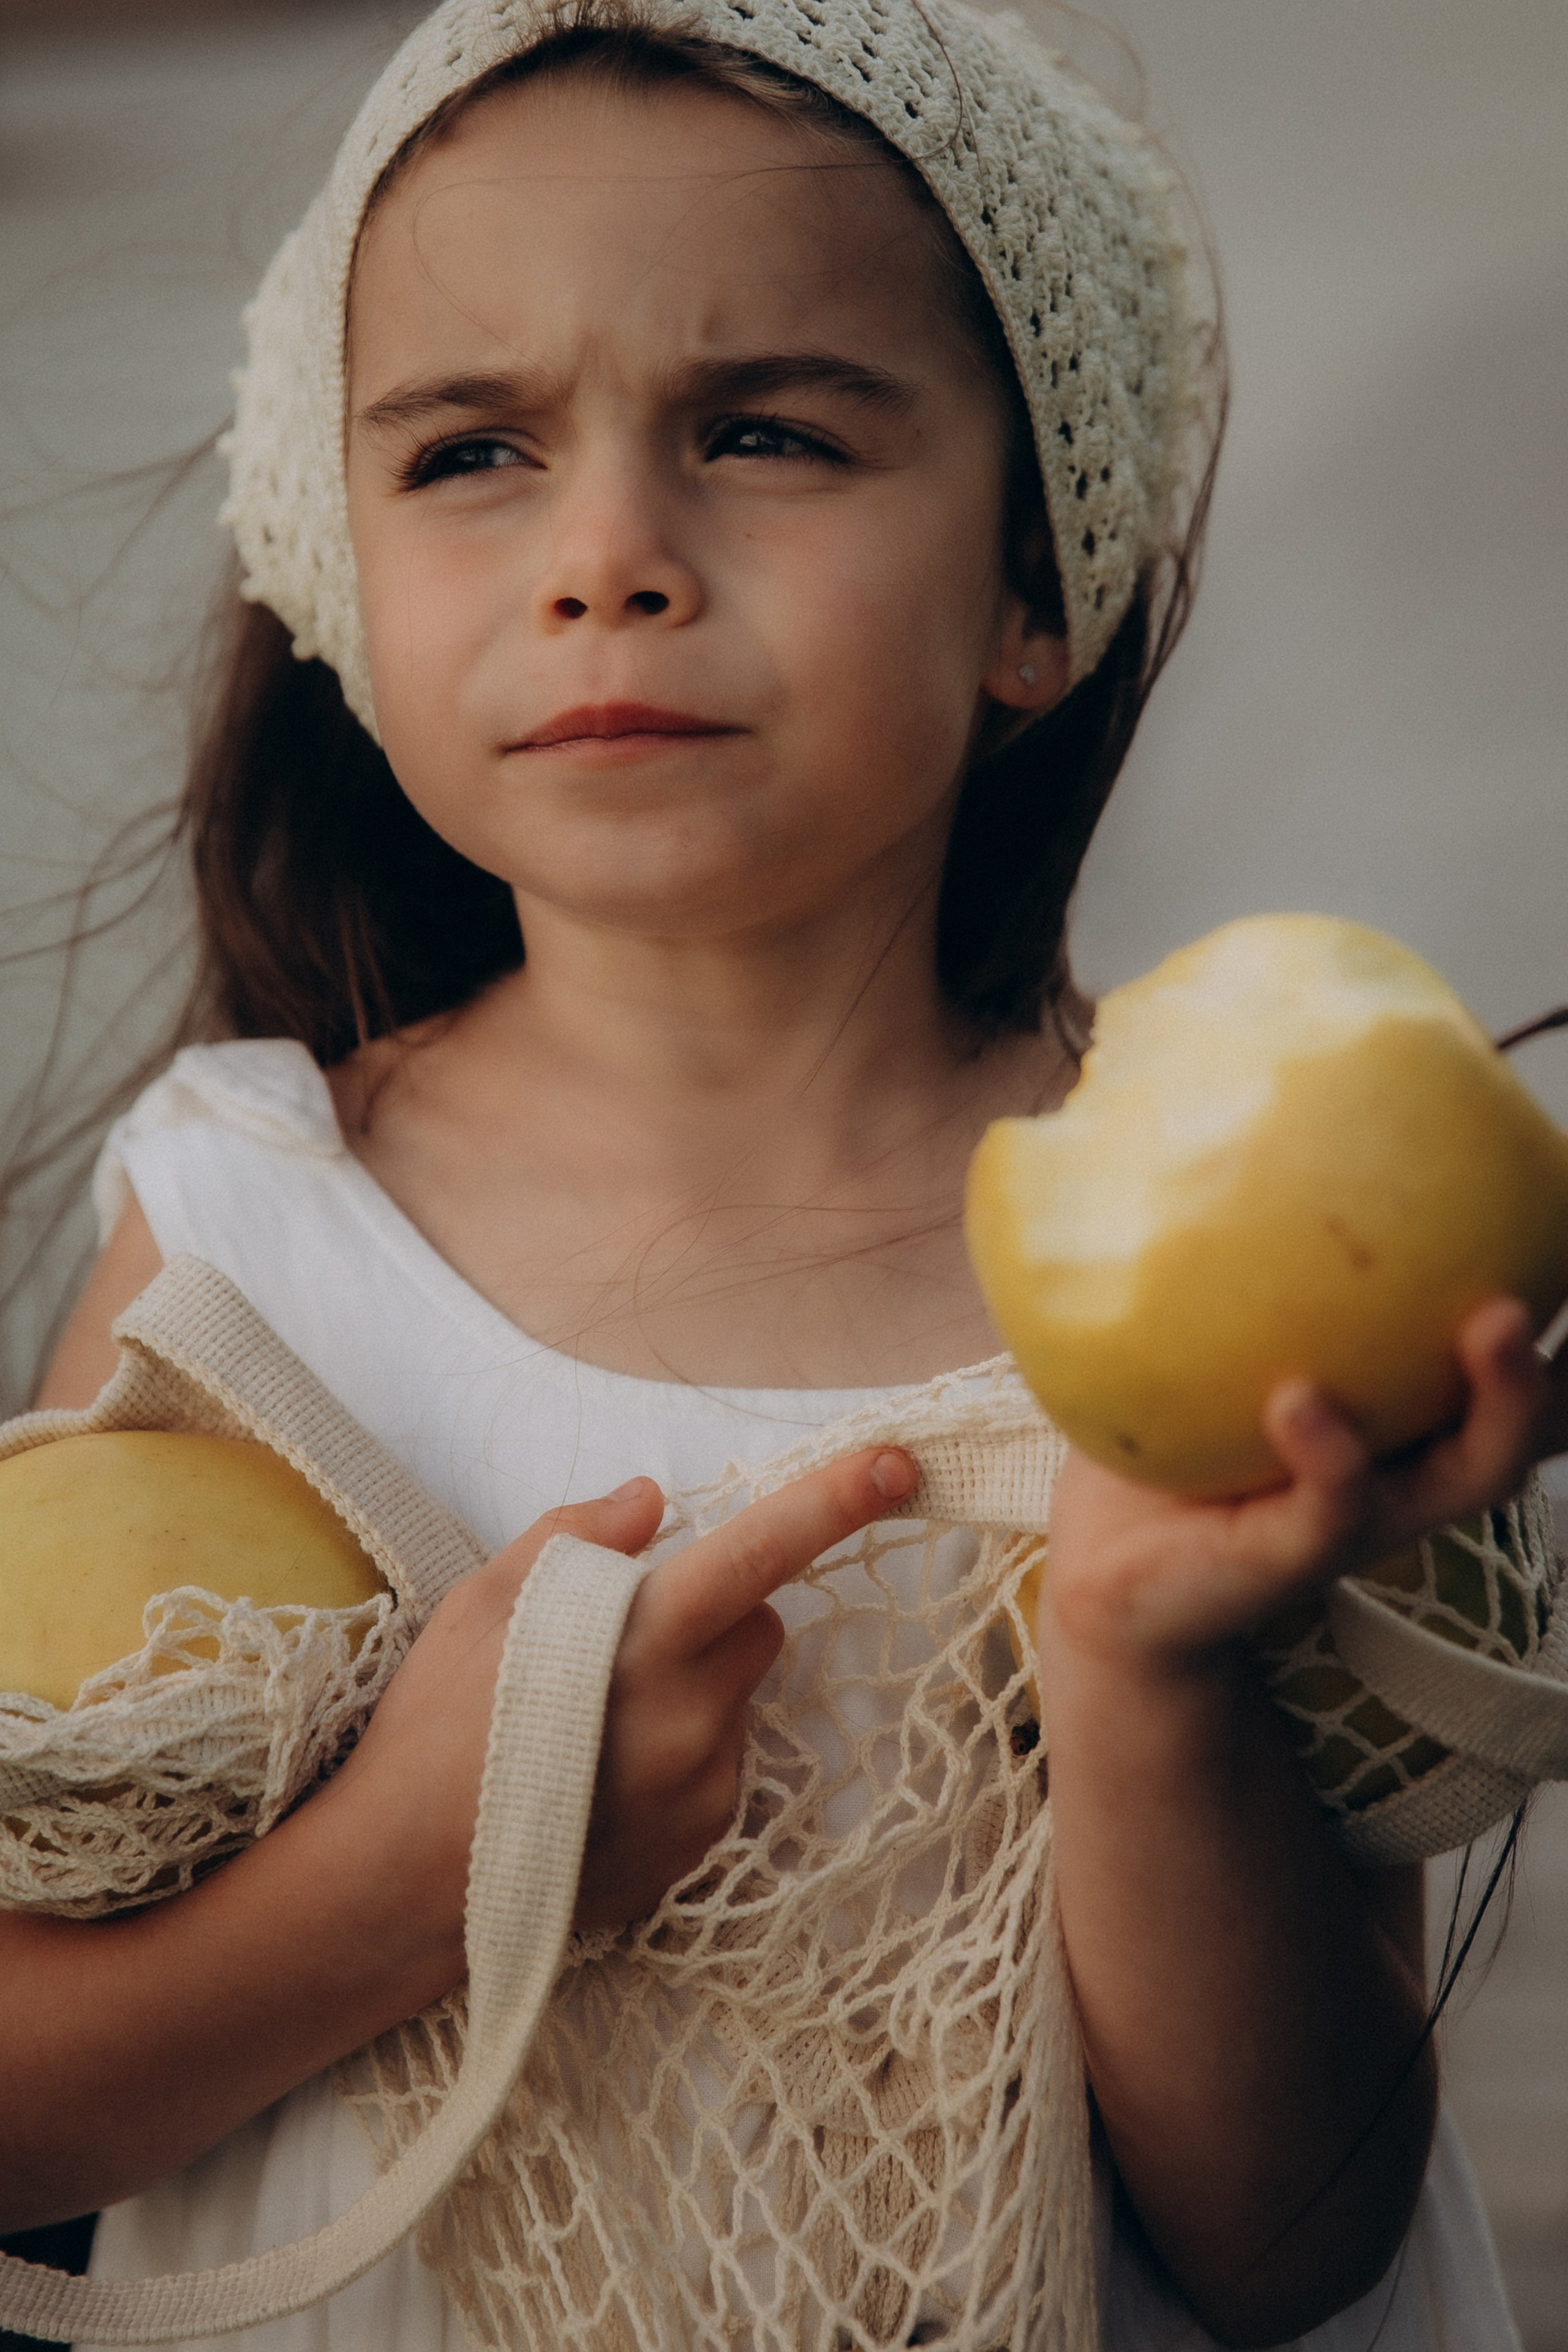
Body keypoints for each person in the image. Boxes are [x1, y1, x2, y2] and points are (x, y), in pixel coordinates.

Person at [2, 1, 1561, 2345]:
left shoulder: (1222, 1248)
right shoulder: (246, 1234)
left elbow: (1295, 2238)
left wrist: (1148, 1670)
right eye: (471, 454)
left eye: (764, 430)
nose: (610, 553)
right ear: (345, 579)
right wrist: (431, 1869)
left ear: (1039, 585)